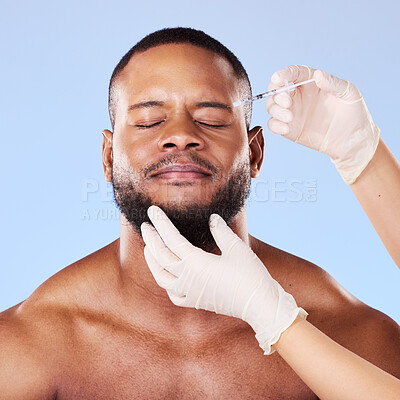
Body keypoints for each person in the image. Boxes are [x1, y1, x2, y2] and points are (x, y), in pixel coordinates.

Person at [0, 27, 399, 399]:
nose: (180, 135)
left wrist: (364, 154)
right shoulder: (27, 347)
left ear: (255, 153)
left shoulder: (355, 338)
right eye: (149, 121)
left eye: (211, 119)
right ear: (108, 158)